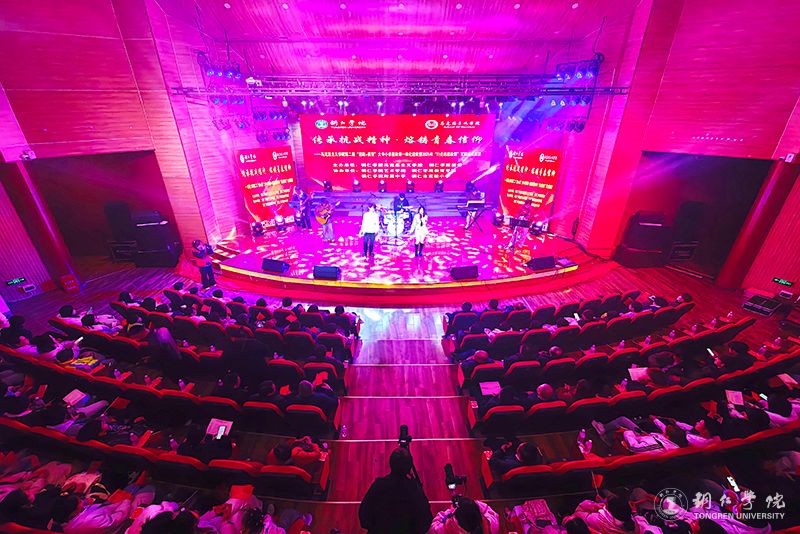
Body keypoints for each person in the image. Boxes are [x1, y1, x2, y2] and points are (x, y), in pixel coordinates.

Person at [359, 447, 432, 534]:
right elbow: (426, 522)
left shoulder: (378, 485)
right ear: (409, 467)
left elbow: (364, 516)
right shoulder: (415, 490)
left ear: (390, 464)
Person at [428, 496, 500, 534]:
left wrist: (450, 511)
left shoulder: (444, 529)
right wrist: (470, 505)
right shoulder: (491, 525)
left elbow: (433, 527)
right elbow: (486, 509)